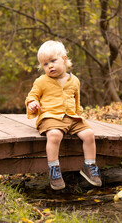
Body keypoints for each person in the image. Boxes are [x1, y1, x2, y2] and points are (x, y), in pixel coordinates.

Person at [25, 40, 102, 190]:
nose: (50, 66)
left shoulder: (74, 81)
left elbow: (77, 102)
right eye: (45, 64)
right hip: (50, 117)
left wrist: (79, 117)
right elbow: (31, 96)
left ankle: (89, 166)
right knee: (54, 135)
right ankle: (54, 169)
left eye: (53, 61)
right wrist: (32, 103)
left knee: (89, 134)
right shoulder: (41, 81)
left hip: (71, 117)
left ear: (65, 59)